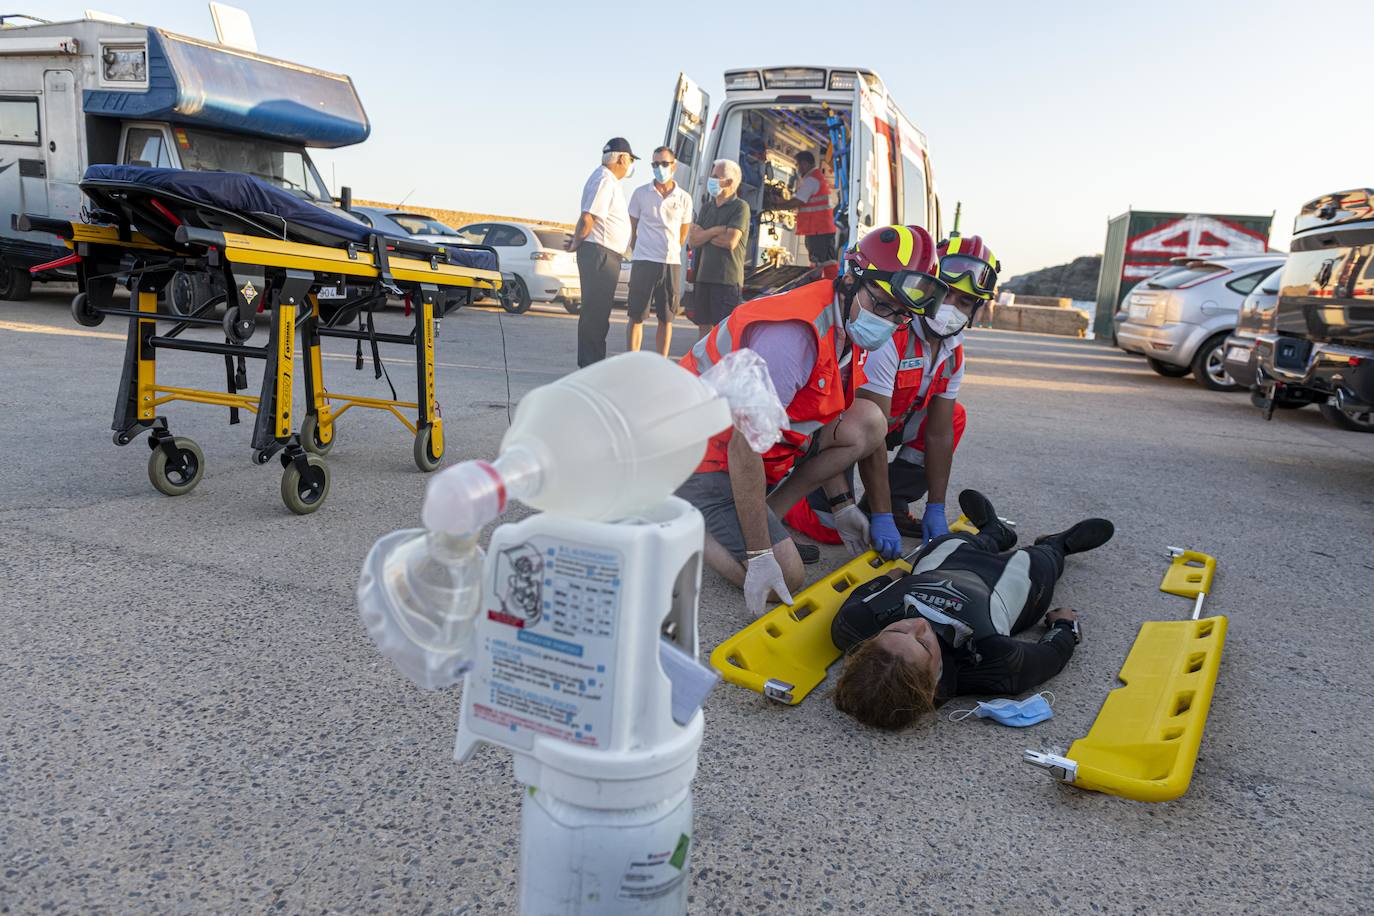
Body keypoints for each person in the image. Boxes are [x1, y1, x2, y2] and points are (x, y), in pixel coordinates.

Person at [676, 225, 950, 616]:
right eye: (883, 306)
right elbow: (742, 445)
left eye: (901, 315)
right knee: (786, 577)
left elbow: (820, 419)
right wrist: (758, 553)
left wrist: (841, 506)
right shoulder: (795, 335)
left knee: (869, 422)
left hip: (750, 449)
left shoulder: (844, 326)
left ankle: (764, 514)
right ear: (853, 278)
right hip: (703, 459)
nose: (889, 322)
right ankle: (688, 523)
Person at [831, 489, 1114, 731]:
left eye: (895, 628)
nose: (917, 623)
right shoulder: (993, 665)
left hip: (946, 562)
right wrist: (1064, 626)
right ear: (935, 680)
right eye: (922, 643)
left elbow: (858, 597)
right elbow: (1049, 658)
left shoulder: (853, 626)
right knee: (1039, 563)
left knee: (943, 543)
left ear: (867, 643)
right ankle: (1058, 545)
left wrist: (887, 579)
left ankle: (993, 533)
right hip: (1007, 582)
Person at [785, 232, 1001, 546]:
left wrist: (936, 507)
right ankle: (787, 498)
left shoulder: (953, 351)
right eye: (947, 294)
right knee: (829, 529)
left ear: (975, 310)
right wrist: (881, 519)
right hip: (846, 426)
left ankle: (891, 504)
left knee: (953, 416)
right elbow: (871, 426)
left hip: (888, 422)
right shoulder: (893, 330)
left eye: (964, 302)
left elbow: (939, 434)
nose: (951, 307)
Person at [569, 138, 636, 367]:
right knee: (595, 313)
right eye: (630, 160)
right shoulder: (604, 180)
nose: (630, 166)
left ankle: (592, 362)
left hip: (605, 253)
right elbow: (588, 217)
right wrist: (577, 242)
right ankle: (590, 365)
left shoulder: (608, 180)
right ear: (621, 158)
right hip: (600, 253)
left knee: (599, 312)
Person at [626, 146, 692, 356]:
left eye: (664, 163)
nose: (659, 168)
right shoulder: (640, 194)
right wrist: (642, 250)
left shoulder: (684, 198)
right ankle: (632, 360)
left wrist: (669, 249)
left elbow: (682, 235)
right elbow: (633, 229)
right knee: (636, 316)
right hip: (643, 261)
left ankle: (661, 364)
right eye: (655, 164)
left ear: (673, 166)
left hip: (670, 263)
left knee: (666, 318)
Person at [686, 159, 750, 340]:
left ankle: (722, 367)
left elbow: (730, 241)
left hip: (726, 281)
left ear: (729, 182)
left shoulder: (740, 207)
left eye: (715, 177)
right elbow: (693, 240)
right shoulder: (707, 207)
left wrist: (705, 234)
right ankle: (704, 367)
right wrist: (717, 230)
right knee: (703, 328)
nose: (711, 180)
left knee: (724, 332)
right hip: (703, 277)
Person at [774, 151, 839, 279]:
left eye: (798, 165)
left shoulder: (811, 180)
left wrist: (776, 205)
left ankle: (821, 288)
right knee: (826, 262)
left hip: (817, 230)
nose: (798, 169)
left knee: (818, 262)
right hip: (822, 229)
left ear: (804, 164)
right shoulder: (818, 178)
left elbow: (797, 201)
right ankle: (831, 287)